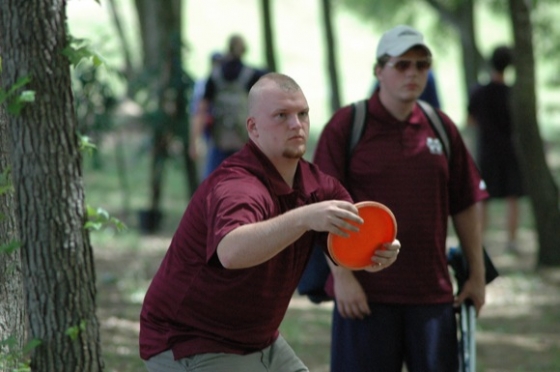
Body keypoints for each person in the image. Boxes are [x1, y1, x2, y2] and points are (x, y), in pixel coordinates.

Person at [140, 72, 401, 372]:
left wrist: (376, 253)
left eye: (302, 114)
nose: (296, 125)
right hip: (190, 340)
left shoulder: (318, 185)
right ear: (253, 128)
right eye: (281, 115)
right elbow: (232, 252)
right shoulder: (237, 185)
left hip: (258, 341)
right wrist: (305, 217)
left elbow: (351, 241)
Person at [313, 25, 489, 372]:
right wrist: (343, 278)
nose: (413, 72)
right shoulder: (349, 125)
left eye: (422, 65)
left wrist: (477, 275)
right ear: (379, 70)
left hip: (433, 296)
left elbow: (466, 202)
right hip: (364, 298)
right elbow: (320, 209)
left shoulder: (441, 127)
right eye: (402, 64)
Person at [468, 45, 524, 254]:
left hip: (486, 152)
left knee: (484, 199)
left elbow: (470, 120)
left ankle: (481, 240)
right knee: (513, 197)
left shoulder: (479, 91)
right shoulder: (512, 93)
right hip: (509, 151)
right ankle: (512, 240)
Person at [189, 34, 266, 179]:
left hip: (219, 142)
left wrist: (194, 142)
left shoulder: (215, 76)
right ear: (244, 50)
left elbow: (201, 110)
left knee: (213, 186)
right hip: (244, 142)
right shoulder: (253, 75)